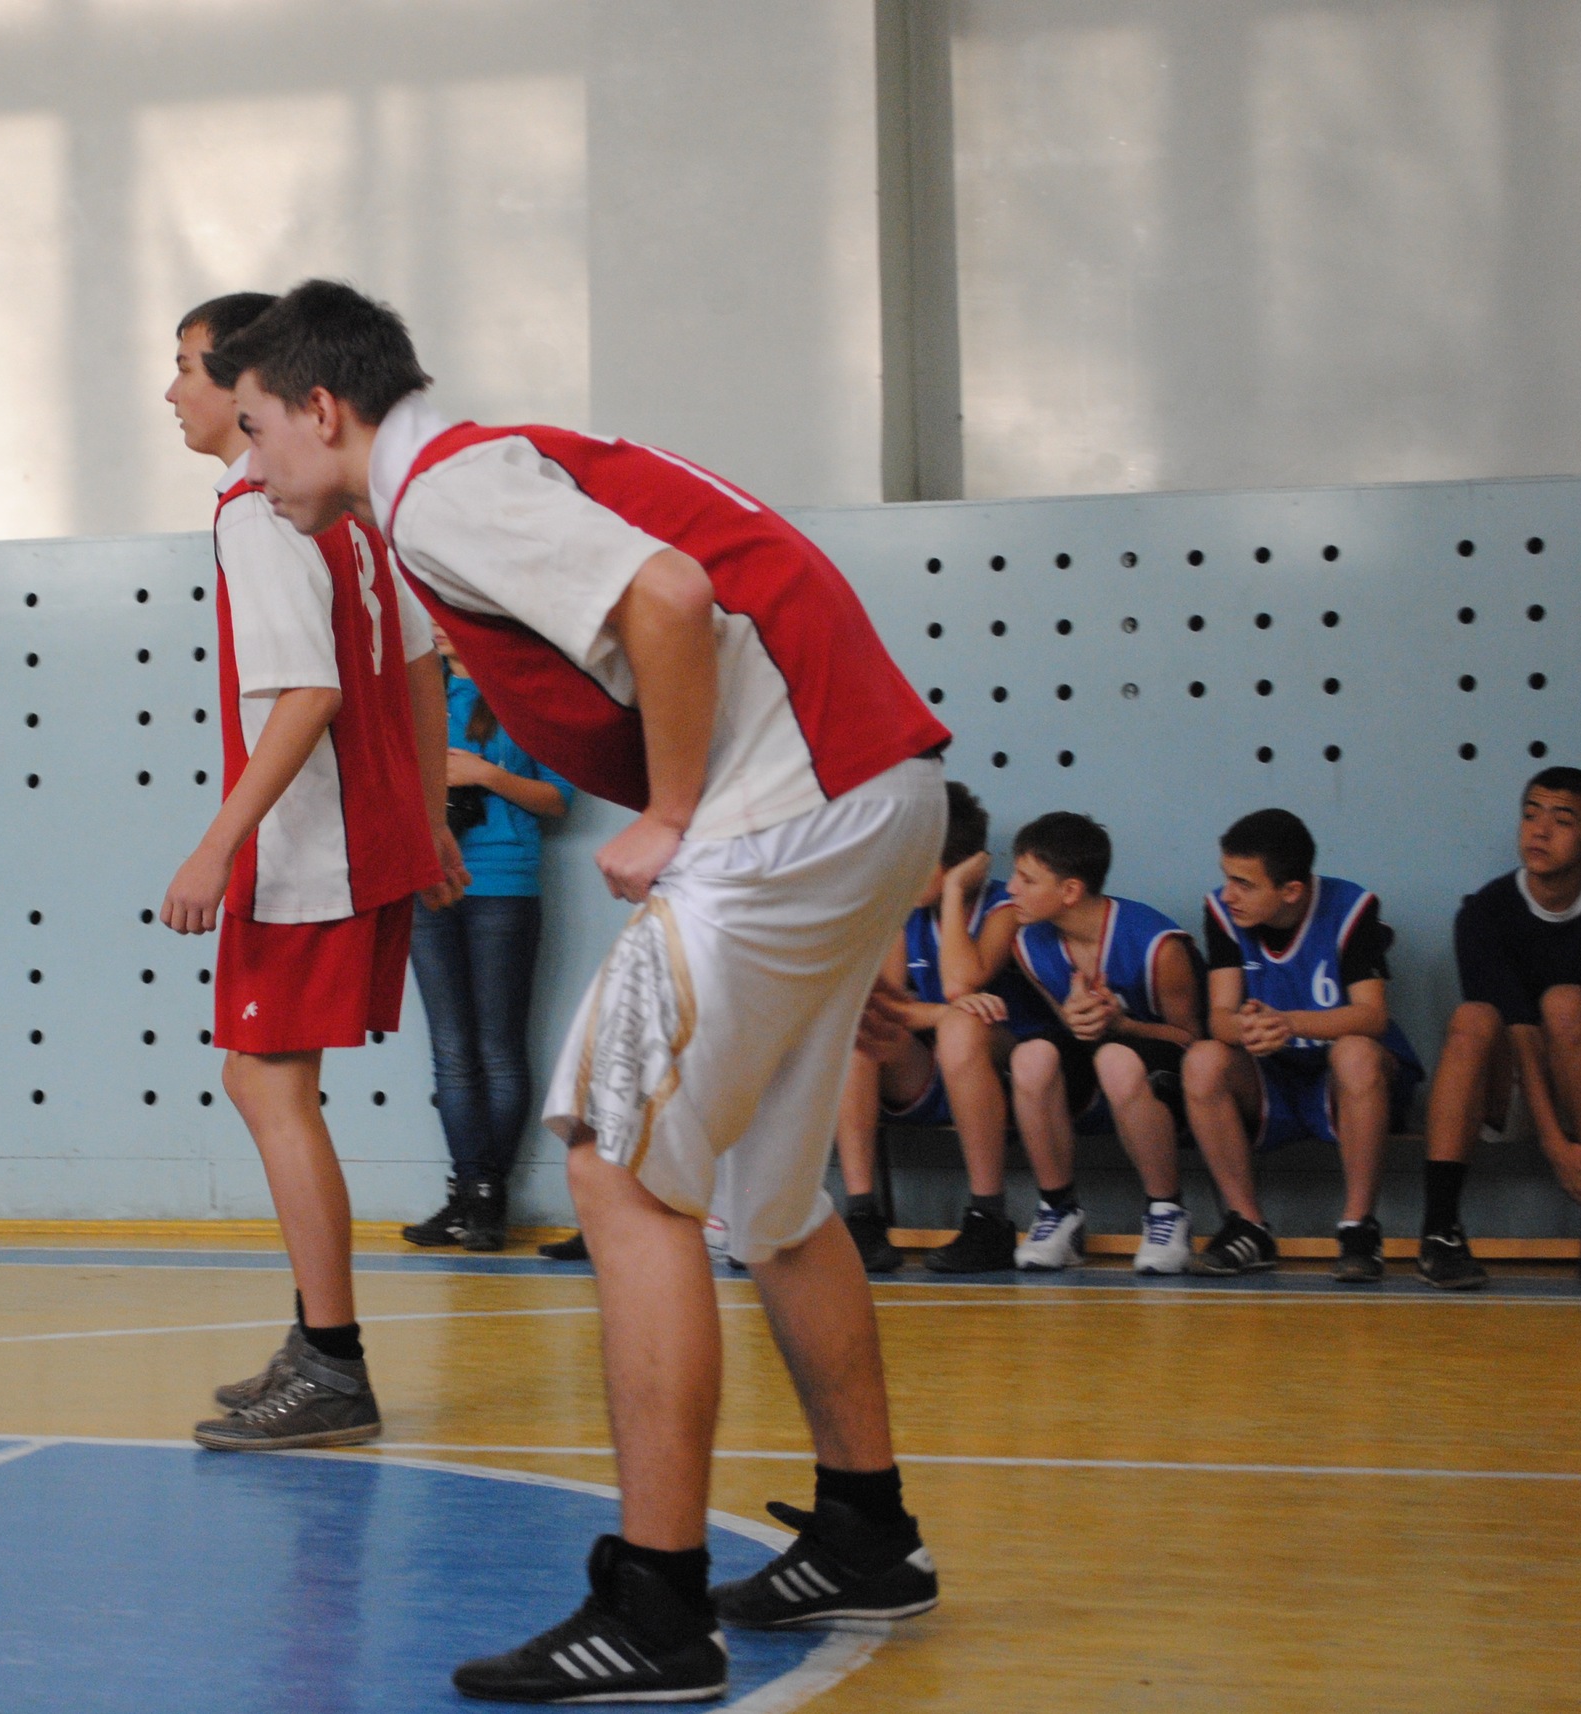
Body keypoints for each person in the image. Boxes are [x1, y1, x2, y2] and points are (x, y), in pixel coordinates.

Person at [211, 280, 950, 1704]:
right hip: (861, 795)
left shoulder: (441, 488)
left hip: (781, 814)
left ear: (321, 407)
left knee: (616, 1167)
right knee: (772, 1200)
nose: (249, 461)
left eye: (254, 427)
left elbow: (666, 596)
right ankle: (866, 1533)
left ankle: (656, 1610)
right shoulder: (478, 471)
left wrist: (672, 817)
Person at [158, 293, 462, 1452]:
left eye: (189, 367)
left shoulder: (258, 510)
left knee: (264, 1083)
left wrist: (216, 841)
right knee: (271, 1080)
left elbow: (309, 692)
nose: (175, 393)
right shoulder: (356, 505)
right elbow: (424, 665)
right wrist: (428, 817)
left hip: (308, 851)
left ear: (249, 387)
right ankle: (316, 1339)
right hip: (367, 833)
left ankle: (332, 1362)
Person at [1183, 810, 1423, 1282]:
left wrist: (1288, 1022)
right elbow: (1219, 1018)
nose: (1229, 894)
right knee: (1202, 1060)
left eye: (1244, 884)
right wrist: (1247, 1029)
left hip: (1346, 1081)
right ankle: (1248, 1226)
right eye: (1227, 878)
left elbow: (1372, 1015)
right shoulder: (1223, 913)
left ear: (1291, 891)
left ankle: (1358, 1229)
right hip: (1272, 1078)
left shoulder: (1351, 908)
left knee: (1356, 1053)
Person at [400, 631, 570, 1253]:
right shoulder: (420, 696)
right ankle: (472, 1195)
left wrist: (484, 774)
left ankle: (484, 1196)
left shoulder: (523, 696)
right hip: (428, 884)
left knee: (498, 1048)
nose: (437, 623)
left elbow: (557, 799)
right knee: (450, 1050)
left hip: (503, 884)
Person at [836, 780, 1047, 1275]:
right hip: (931, 1067)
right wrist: (939, 1014)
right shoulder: (900, 907)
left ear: (958, 866)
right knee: (862, 1033)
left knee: (962, 1029)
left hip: (1006, 1067)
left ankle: (988, 1217)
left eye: (916, 862)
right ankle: (862, 1215)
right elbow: (885, 1004)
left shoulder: (1004, 909)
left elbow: (959, 983)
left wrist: (952, 893)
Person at [1424, 769, 1581, 1286]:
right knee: (1473, 1019)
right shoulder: (1485, 913)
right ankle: (1439, 1231)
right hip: (1517, 1089)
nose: (1540, 830)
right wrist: (1554, 1143)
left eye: (1562, 820)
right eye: (1531, 815)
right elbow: (1520, 1034)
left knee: (1566, 1006)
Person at [999, 812, 1203, 1274]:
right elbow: (1071, 1031)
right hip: (1100, 1059)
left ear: (1070, 891)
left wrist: (1123, 1025)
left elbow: (1194, 1039)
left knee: (1116, 1060)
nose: (1010, 888)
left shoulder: (1158, 945)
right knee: (1030, 1057)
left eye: (1027, 879)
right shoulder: (1028, 945)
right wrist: (1079, 1018)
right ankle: (1058, 1211)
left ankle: (1166, 1211)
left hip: (1161, 1066)